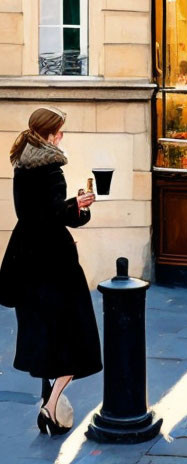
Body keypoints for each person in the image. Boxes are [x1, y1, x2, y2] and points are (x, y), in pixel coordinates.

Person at [0, 107, 101, 435]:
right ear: (46, 135)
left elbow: (33, 214)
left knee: (43, 332)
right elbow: (54, 215)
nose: (61, 136)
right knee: (77, 335)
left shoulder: (22, 165)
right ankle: (50, 405)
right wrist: (79, 205)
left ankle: (50, 404)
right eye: (58, 131)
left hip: (25, 258)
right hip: (54, 263)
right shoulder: (51, 169)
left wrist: (70, 207)